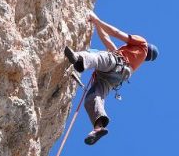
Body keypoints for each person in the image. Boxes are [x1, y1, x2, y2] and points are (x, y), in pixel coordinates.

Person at [64, 11, 159, 145]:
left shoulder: (142, 44)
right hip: (115, 77)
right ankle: (98, 127)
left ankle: (79, 59)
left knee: (98, 56)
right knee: (93, 98)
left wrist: (97, 20)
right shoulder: (133, 58)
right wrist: (97, 25)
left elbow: (116, 33)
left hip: (116, 64)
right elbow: (106, 39)